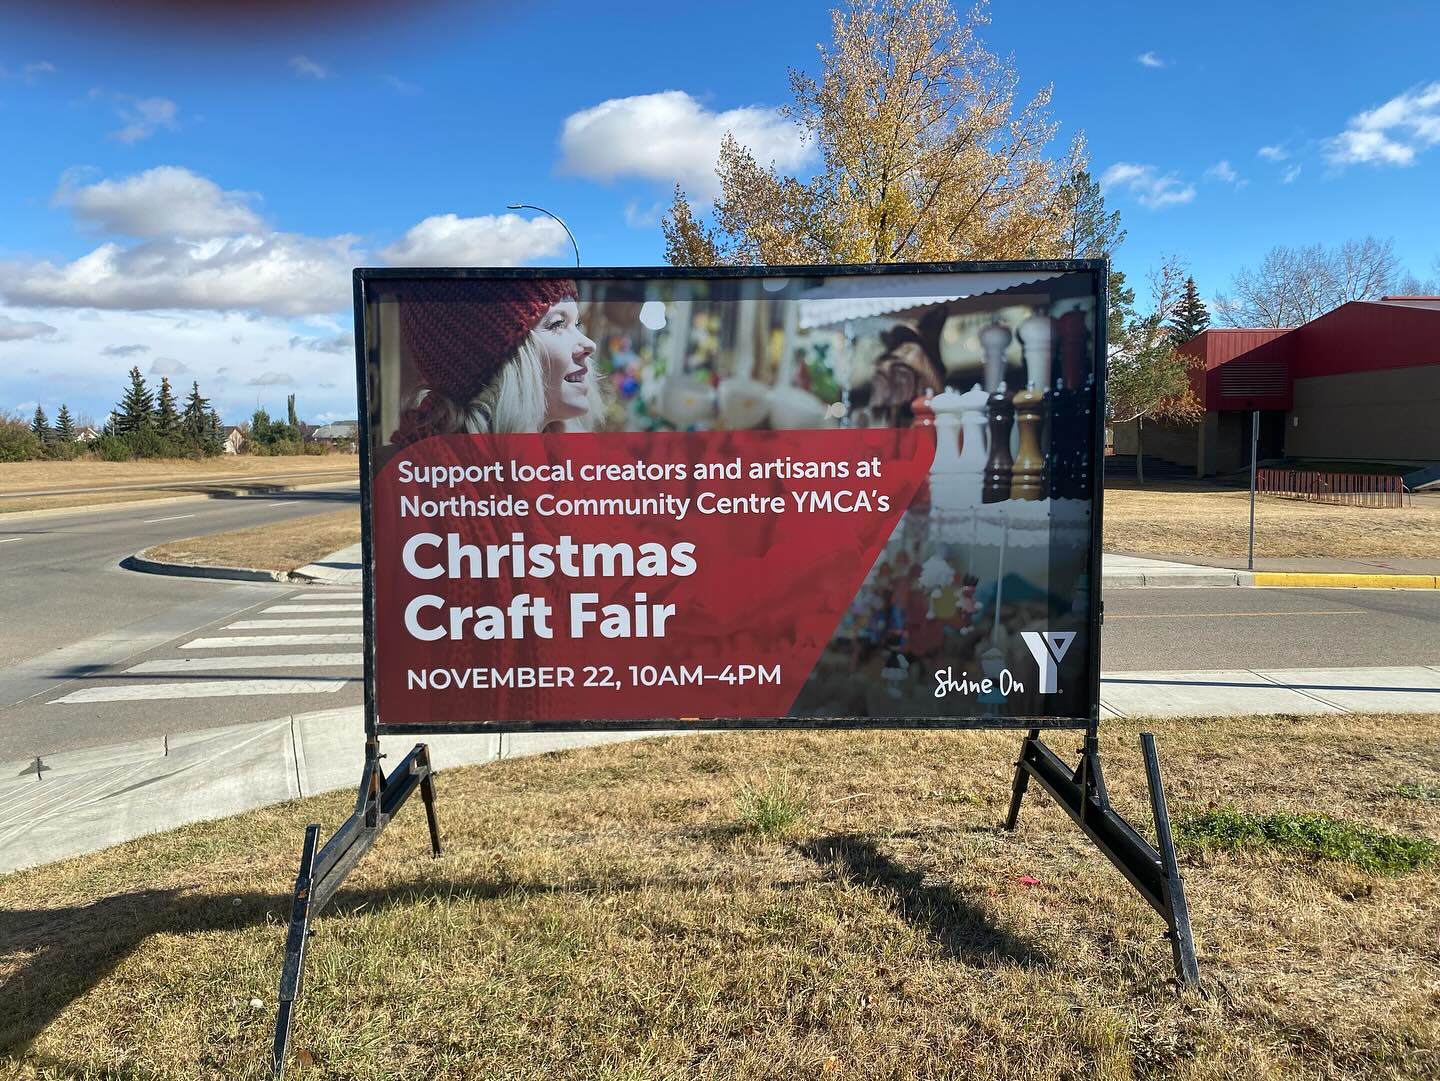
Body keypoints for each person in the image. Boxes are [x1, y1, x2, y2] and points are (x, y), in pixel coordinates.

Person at [389, 278, 605, 447]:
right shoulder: (413, 480)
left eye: (576, 323)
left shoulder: (586, 468)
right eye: (557, 324)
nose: (589, 345)